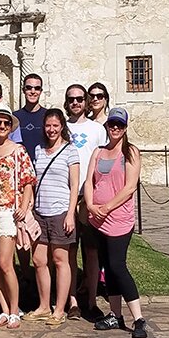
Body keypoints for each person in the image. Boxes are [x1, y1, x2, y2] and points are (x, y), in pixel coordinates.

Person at [85, 107, 148, 338]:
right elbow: (89, 181)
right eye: (112, 124)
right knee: (107, 268)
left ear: (125, 128)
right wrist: (92, 206)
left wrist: (107, 207)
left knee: (118, 266)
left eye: (119, 125)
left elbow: (130, 187)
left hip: (118, 219)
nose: (115, 128)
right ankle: (115, 314)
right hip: (97, 219)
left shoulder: (130, 152)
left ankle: (138, 318)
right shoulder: (98, 152)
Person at [24, 108, 79, 327]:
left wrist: (70, 213)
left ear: (62, 126)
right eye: (48, 125)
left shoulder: (70, 151)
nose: (51, 130)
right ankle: (44, 306)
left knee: (60, 260)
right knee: (39, 260)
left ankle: (59, 309)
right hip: (40, 212)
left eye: (56, 125)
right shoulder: (38, 150)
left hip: (60, 212)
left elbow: (74, 185)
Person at [0, 106, 36, 330]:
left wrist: (24, 207)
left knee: (6, 263)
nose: (2, 127)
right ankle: (4, 309)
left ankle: (15, 309)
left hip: (8, 210)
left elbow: (28, 181)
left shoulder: (18, 150)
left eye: (6, 124)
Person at [64, 84, 107, 320]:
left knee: (91, 252)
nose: (76, 103)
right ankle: (71, 301)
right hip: (66, 198)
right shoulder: (62, 127)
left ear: (86, 101)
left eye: (80, 99)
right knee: (68, 251)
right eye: (71, 99)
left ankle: (91, 300)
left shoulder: (98, 129)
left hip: (88, 198)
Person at [14, 74, 46, 162]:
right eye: (29, 88)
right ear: (23, 90)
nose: (33, 91)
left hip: (43, 166)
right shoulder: (14, 117)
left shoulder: (48, 116)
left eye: (37, 88)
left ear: (41, 91)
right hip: (21, 166)